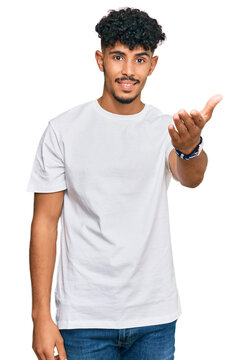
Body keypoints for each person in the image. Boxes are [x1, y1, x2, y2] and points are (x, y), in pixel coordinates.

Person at [27, 7, 222, 360]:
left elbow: (190, 177)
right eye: (118, 57)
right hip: (84, 318)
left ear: (153, 65)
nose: (129, 71)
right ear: (100, 59)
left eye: (140, 59)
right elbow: (44, 223)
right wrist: (40, 315)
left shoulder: (165, 128)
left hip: (154, 317)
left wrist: (190, 149)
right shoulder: (63, 130)